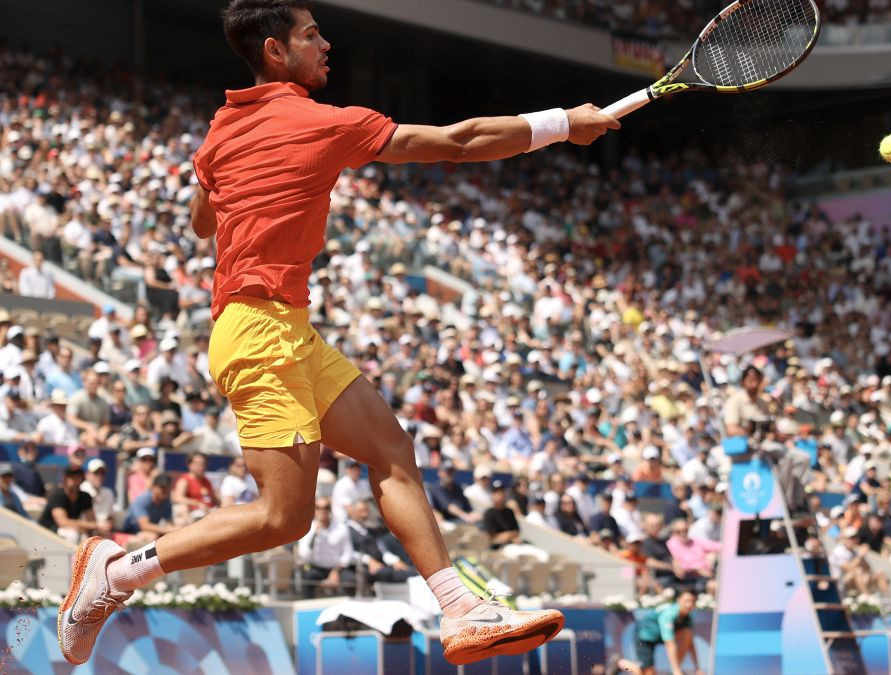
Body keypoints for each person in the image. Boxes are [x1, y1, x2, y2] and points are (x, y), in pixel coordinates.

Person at [57, 0, 615, 664]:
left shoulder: (224, 125)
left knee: (391, 449)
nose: (326, 44)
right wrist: (561, 124)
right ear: (274, 50)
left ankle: (462, 609)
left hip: (286, 326)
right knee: (283, 517)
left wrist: (239, 181)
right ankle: (116, 572)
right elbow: (457, 141)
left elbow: (203, 220)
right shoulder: (320, 123)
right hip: (258, 332)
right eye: (310, 34)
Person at [615, 588, 702, 675]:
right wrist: (677, 671)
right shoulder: (669, 614)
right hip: (645, 636)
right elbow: (669, 643)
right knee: (647, 673)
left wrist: (697, 668)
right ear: (678, 600)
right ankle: (619, 663)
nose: (689, 604)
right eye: (687, 601)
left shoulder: (687, 618)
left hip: (660, 635)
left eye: (693, 601)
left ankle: (674, 671)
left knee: (687, 634)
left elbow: (690, 643)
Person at [296, 497, 353, 599]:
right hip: (316, 568)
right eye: (318, 508)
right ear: (315, 510)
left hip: (337, 568)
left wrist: (335, 571)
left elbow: (347, 554)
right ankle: (309, 608)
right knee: (309, 577)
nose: (322, 511)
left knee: (351, 580)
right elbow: (304, 554)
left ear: (330, 509)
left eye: (326, 507)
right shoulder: (308, 528)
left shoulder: (341, 528)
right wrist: (315, 535)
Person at [38, 466, 101, 544]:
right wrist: (93, 525)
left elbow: (92, 520)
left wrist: (94, 528)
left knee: (94, 536)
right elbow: (63, 523)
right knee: (72, 534)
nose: (73, 481)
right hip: (46, 533)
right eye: (71, 477)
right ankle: (72, 556)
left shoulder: (85, 496)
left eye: (77, 477)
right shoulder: (57, 495)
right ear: (65, 478)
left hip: (69, 530)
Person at [121, 474, 177, 545]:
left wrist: (176, 529)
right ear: (153, 487)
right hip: (130, 533)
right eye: (162, 487)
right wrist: (167, 529)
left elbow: (169, 522)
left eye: (167, 487)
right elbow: (144, 526)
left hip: (148, 532)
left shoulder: (167, 502)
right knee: (153, 537)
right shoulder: (143, 499)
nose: (164, 490)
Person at [172, 452, 217, 522]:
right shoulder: (184, 480)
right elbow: (177, 498)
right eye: (197, 464)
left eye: (203, 464)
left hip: (210, 512)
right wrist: (197, 503)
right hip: (195, 514)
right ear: (189, 465)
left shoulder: (206, 481)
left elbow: (214, 499)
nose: (201, 466)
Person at [482, 481, 522, 549]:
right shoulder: (489, 513)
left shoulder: (509, 511)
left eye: (502, 492)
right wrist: (509, 535)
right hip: (499, 548)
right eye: (497, 492)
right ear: (492, 494)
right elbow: (492, 537)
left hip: (514, 544)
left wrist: (508, 535)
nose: (500, 495)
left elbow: (516, 531)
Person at [79, 459, 116, 529]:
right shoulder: (82, 491)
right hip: (85, 533)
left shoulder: (108, 493)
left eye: (102, 473)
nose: (99, 476)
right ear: (87, 474)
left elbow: (111, 517)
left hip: (104, 532)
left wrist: (108, 524)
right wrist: (97, 526)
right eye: (96, 473)